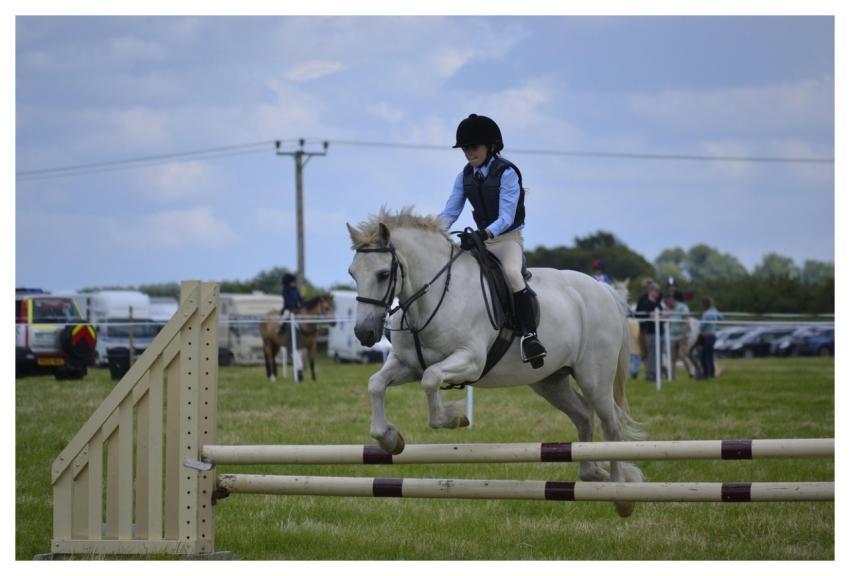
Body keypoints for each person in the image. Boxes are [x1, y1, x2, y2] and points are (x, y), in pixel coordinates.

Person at [439, 113, 546, 368]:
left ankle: (530, 336)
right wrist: (432, 230)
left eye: (473, 147)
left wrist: (484, 233)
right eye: (465, 148)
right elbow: (450, 212)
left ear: (491, 146)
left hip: (507, 239)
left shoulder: (507, 173)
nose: (468, 153)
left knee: (512, 274)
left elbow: (507, 216)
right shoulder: (464, 176)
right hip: (482, 241)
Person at [661, 290, 692, 380]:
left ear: (671, 299)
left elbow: (687, 321)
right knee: (672, 358)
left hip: (683, 335)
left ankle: (691, 372)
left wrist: (684, 334)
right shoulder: (667, 309)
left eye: (667, 302)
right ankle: (672, 376)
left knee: (683, 355)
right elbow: (664, 318)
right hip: (672, 336)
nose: (666, 304)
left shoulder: (682, 307)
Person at [635, 282, 662, 381]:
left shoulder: (657, 299)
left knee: (653, 352)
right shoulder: (642, 299)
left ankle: (654, 372)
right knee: (646, 352)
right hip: (645, 329)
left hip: (654, 330)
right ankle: (650, 373)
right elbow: (638, 314)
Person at [692, 296, 723, 379]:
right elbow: (721, 318)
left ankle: (707, 374)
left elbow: (702, 326)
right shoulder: (714, 311)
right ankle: (711, 374)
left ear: (704, 305)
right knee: (709, 356)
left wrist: (698, 326)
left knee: (704, 357)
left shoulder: (706, 314)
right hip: (712, 336)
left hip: (706, 337)